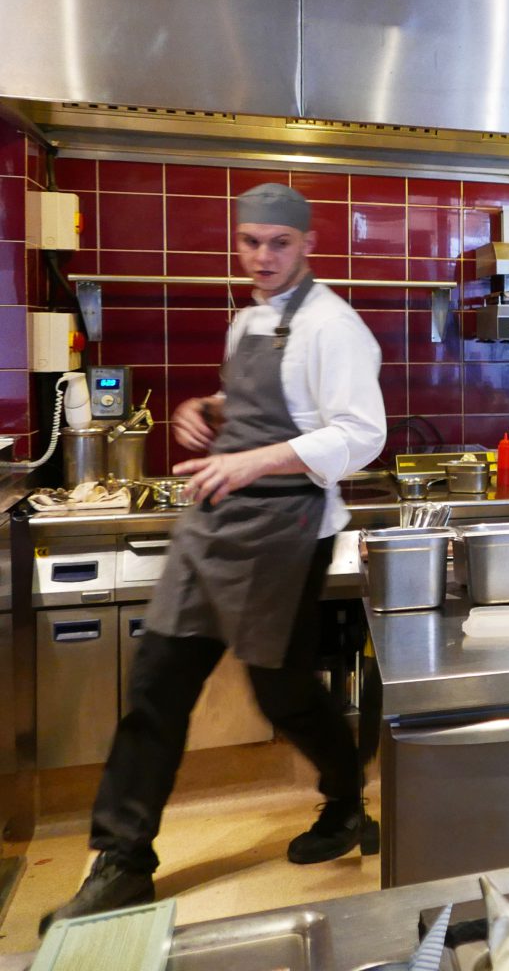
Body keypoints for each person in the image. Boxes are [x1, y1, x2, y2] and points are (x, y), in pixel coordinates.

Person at [43, 184, 386, 930]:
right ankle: (123, 862)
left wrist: (254, 461)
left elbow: (360, 434)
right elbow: (264, 404)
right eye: (250, 242)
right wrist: (211, 409)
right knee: (157, 685)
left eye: (279, 244)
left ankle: (344, 798)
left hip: (284, 530)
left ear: (308, 244)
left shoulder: (335, 327)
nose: (262, 258)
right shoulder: (247, 321)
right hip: (213, 523)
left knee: (282, 691)